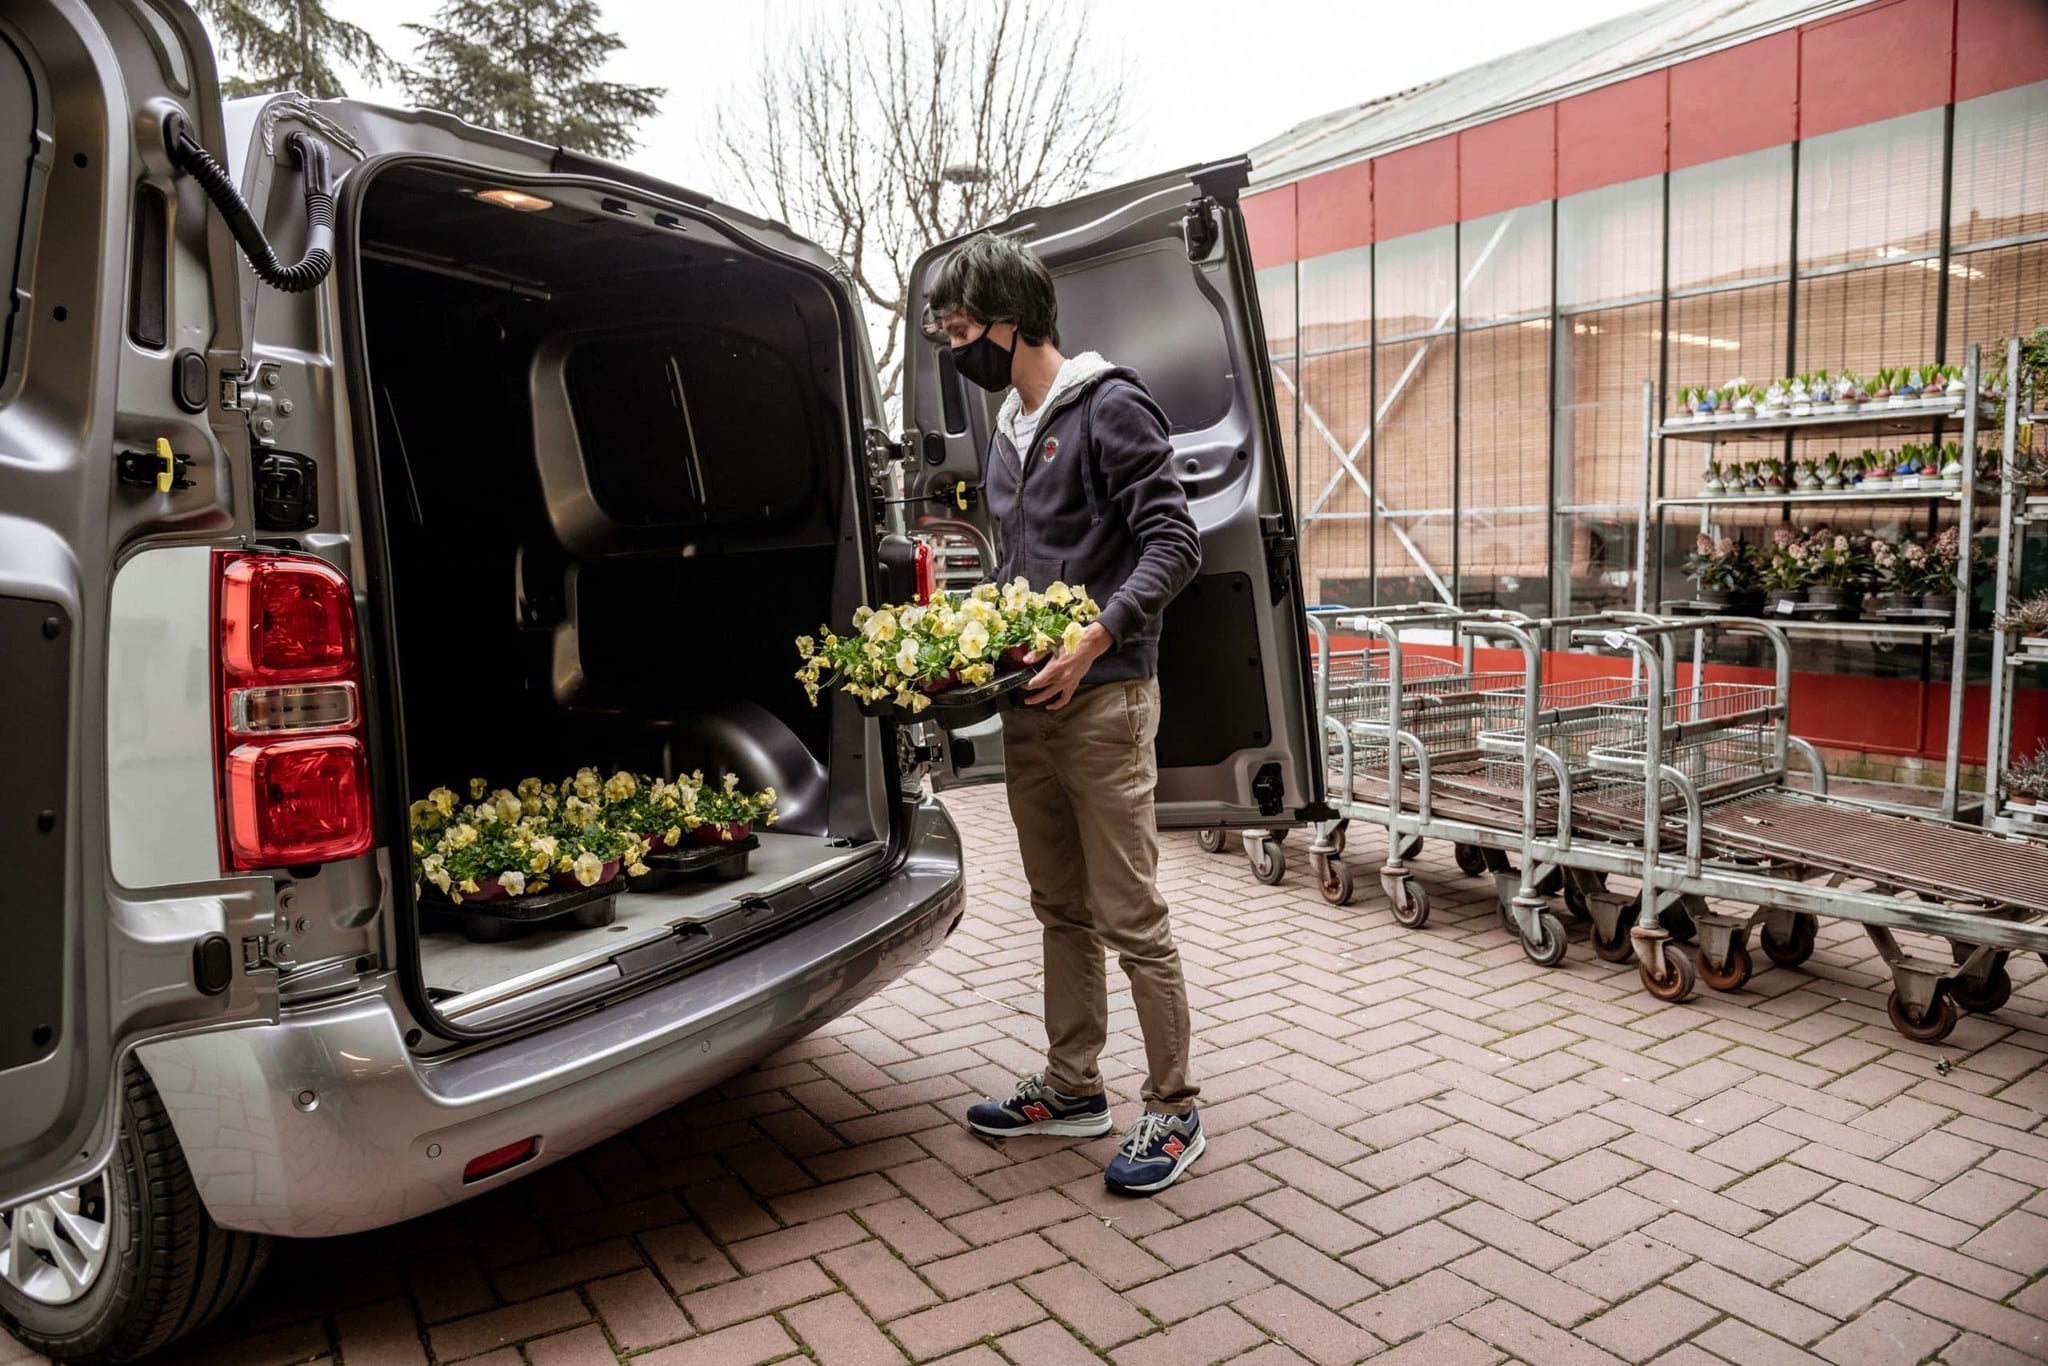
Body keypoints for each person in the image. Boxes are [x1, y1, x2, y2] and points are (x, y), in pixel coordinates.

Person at [921, 232, 1205, 1195]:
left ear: (1009, 321)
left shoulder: (1109, 406)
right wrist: (966, 650)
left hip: (1106, 699)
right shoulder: (1010, 428)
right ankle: (1075, 1088)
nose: (957, 348)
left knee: (1131, 914)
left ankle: (1172, 1109)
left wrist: (1095, 638)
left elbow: (1174, 540)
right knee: (1058, 906)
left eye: (963, 329)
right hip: (1030, 707)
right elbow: (1019, 566)